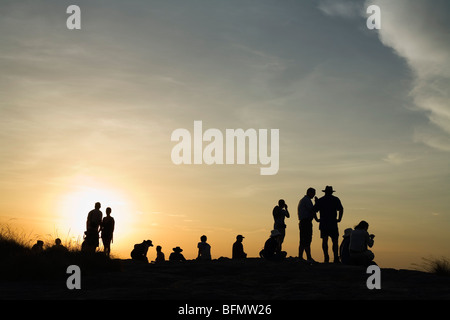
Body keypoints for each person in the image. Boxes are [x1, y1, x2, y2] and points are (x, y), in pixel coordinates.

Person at [315, 186, 344, 263]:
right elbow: (341, 209)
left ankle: (326, 257)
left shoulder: (321, 200)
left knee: (325, 241)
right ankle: (335, 258)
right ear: (331, 192)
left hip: (324, 223)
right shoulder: (335, 199)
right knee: (335, 241)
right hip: (332, 223)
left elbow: (314, 210)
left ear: (325, 192)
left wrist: (317, 219)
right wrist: (339, 218)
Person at [297, 188, 319, 262]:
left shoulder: (304, 200)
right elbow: (312, 210)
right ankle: (308, 257)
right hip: (306, 222)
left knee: (303, 240)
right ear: (309, 192)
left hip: (304, 222)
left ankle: (302, 257)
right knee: (306, 240)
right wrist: (317, 203)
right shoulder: (307, 200)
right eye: (313, 193)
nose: (314, 195)